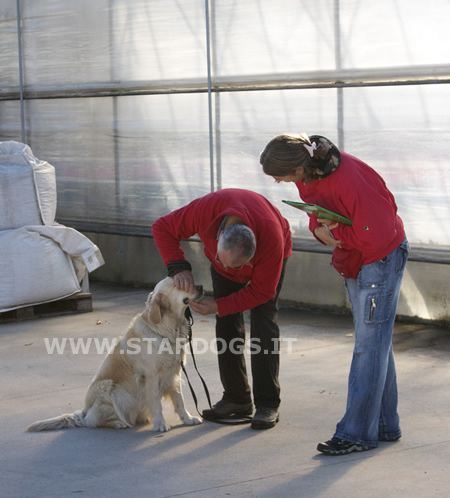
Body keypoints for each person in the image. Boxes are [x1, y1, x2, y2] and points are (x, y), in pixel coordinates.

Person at [260, 133, 409, 454]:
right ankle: (385, 424)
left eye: (281, 177)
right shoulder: (310, 174)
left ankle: (356, 434)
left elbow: (377, 234)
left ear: (299, 168)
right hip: (357, 256)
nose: (279, 181)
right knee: (375, 341)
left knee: (368, 346)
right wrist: (318, 229)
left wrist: (336, 233)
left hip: (379, 257)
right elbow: (317, 211)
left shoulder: (350, 179)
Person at [152, 188, 292, 429]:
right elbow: (162, 227)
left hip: (269, 260)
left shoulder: (271, 240)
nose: (232, 271)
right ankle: (236, 399)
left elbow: (262, 292)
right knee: (227, 322)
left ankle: (268, 403)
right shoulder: (205, 210)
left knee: (264, 323)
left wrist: (218, 304)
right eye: (223, 261)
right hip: (226, 251)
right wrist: (178, 267)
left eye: (238, 266)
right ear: (219, 238)